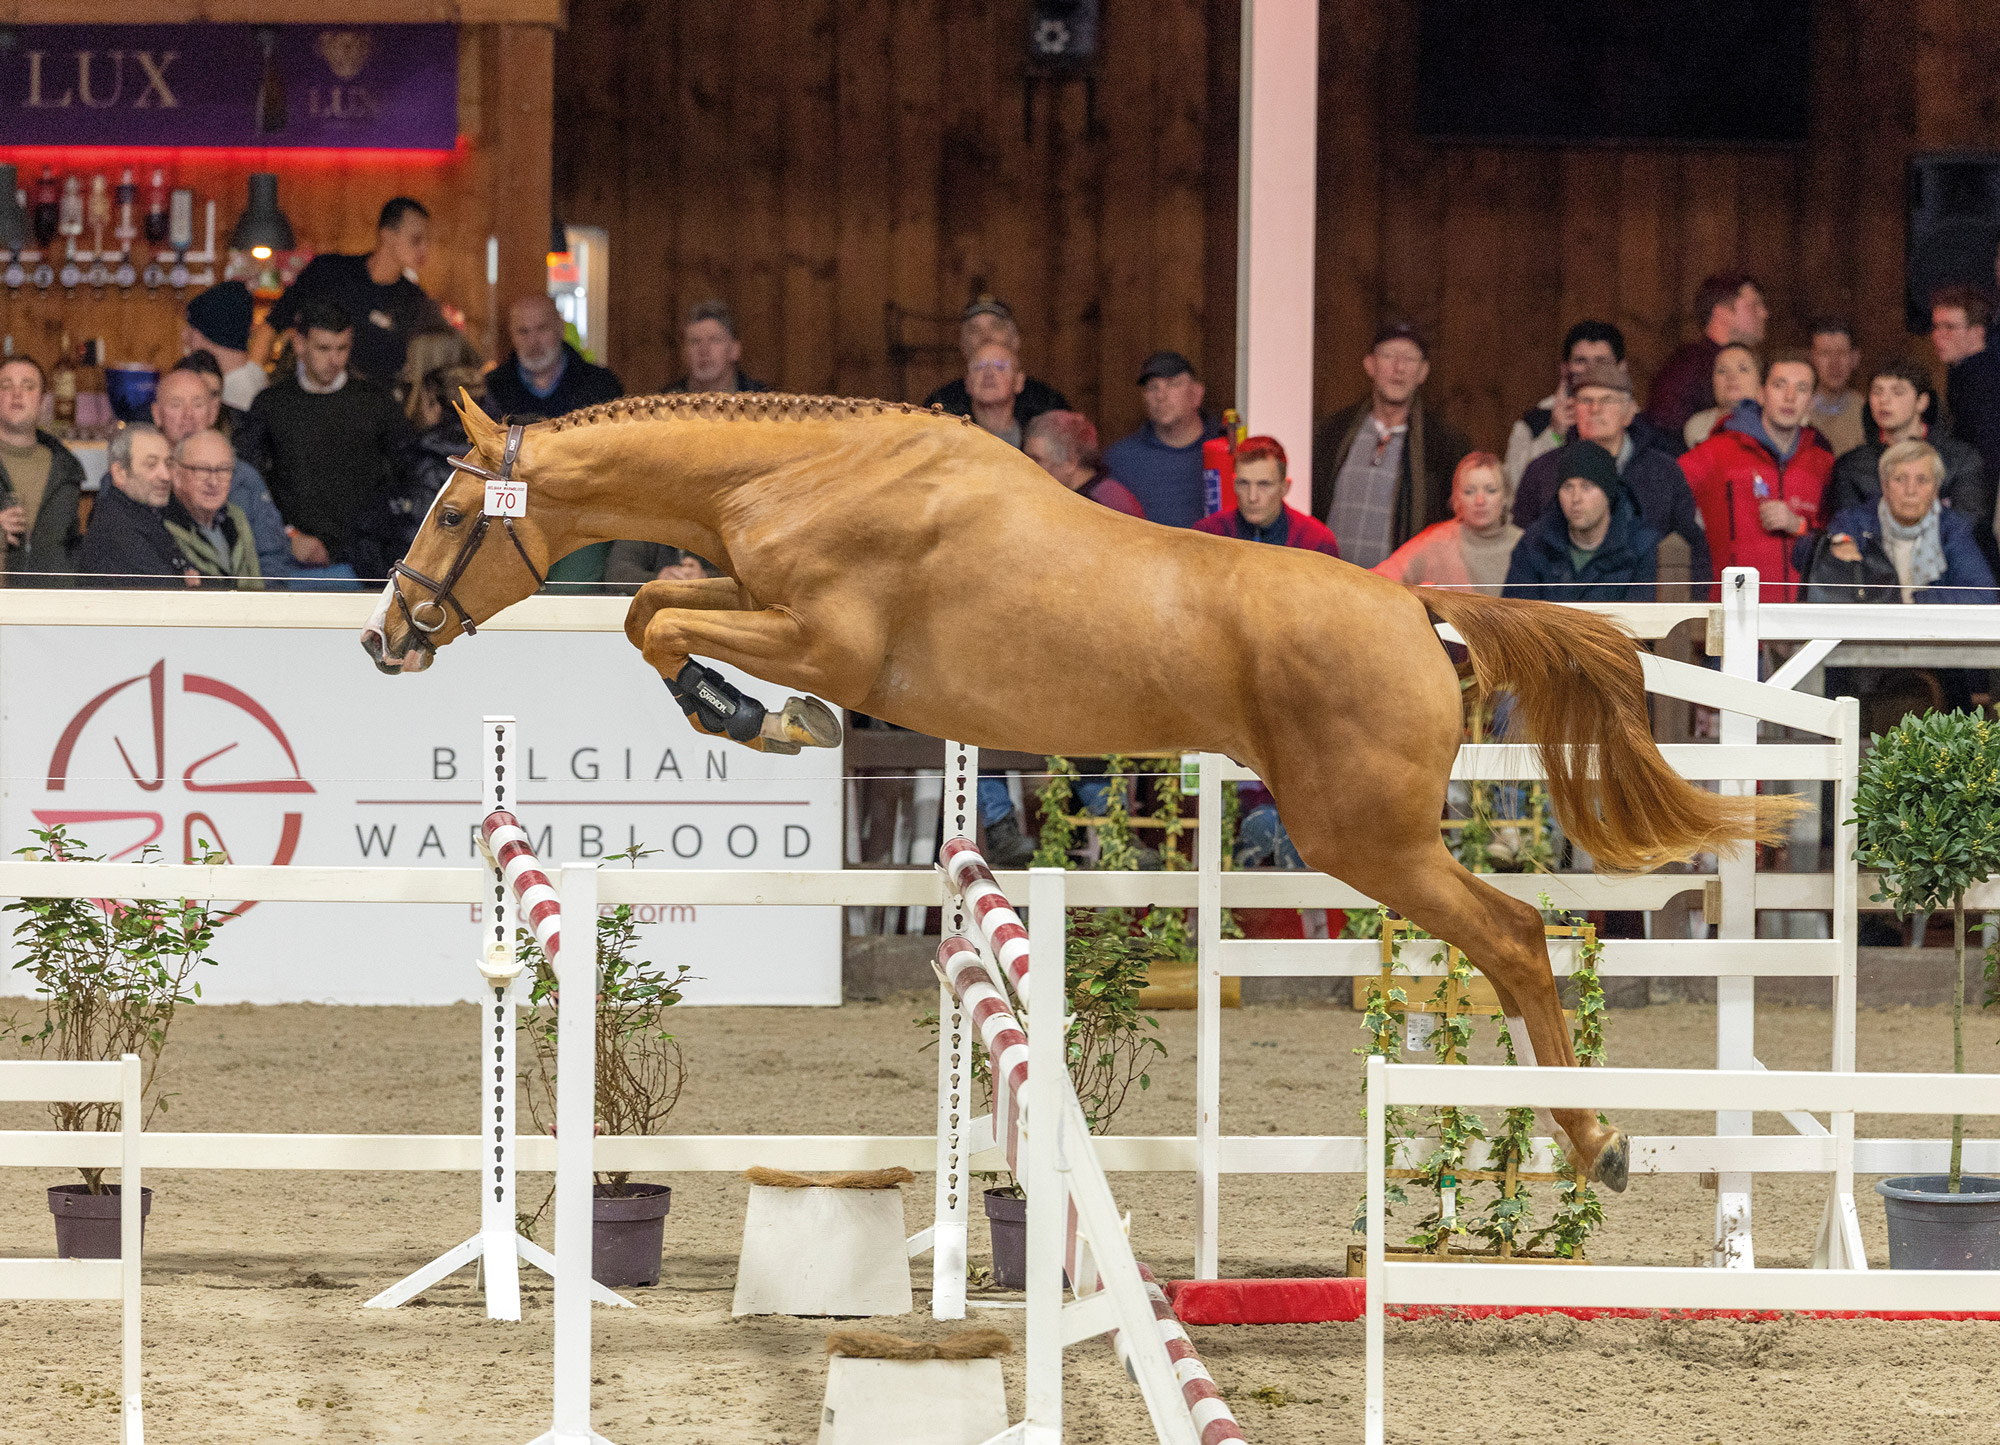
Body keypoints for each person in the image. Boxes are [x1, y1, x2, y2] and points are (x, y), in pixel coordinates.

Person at [239, 300, 410, 573]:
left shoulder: (376, 403)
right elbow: (249, 481)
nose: (335, 360)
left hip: (366, 560)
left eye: (342, 348)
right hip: (292, 558)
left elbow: (405, 475)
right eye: (323, 348)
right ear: (298, 344)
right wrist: (288, 534)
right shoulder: (272, 405)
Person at [1514, 361, 1711, 584]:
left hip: (1647, 606)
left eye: (1607, 400)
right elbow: (1524, 550)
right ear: (1573, 409)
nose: (1595, 409)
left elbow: (1694, 549)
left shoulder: (1663, 472)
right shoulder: (1543, 471)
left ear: (1629, 412)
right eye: (1586, 400)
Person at [1311, 322, 1471, 569]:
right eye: (1389, 356)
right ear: (1370, 365)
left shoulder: (1444, 445)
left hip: (1399, 593)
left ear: (1423, 372)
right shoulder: (1333, 433)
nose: (1399, 368)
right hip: (1329, 584)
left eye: (1409, 359)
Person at [1679, 351, 1833, 598]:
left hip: (1803, 617)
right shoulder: (1718, 451)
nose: (1790, 397)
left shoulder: (1822, 463)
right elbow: (1663, 495)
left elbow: (1838, 539)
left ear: (1812, 402)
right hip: (1733, 613)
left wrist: (1799, 524)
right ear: (1761, 393)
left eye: (1801, 388)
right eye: (1779, 385)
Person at [152, 362, 302, 585]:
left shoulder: (244, 478)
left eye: (198, 404)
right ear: (157, 414)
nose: (188, 415)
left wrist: (262, 607)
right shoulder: (140, 478)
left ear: (213, 412)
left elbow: (274, 558)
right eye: (176, 404)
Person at [266, 197, 442, 383]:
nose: (425, 248)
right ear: (387, 234)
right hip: (307, 397)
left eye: (427, 241)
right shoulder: (329, 270)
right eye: (416, 240)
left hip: (370, 405)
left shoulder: (415, 300)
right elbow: (273, 324)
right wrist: (250, 380)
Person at [1801, 439, 1996, 605]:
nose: (1911, 490)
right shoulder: (1856, 521)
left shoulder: (1952, 528)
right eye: (1900, 479)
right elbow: (1803, 555)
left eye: (1922, 480)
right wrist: (1834, 546)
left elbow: (1983, 594)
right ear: (1884, 485)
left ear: (1936, 489)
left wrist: (1909, 599)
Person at [1826, 360, 1988, 548]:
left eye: (1897, 392)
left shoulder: (1961, 459)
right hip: (1878, 569)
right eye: (1877, 391)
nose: (1883, 400)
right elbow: (1849, 529)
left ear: (1922, 402)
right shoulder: (1852, 464)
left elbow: (1965, 524)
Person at [351, 363, 489, 583]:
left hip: (415, 583)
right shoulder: (499, 460)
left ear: (434, 405)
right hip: (481, 583)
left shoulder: (415, 460)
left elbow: (413, 535)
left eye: (423, 400)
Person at [1502, 321, 1680, 486]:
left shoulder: (1645, 428)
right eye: (1581, 361)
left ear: (1622, 369)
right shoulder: (1533, 424)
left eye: (1602, 362)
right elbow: (1515, 491)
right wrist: (1554, 435)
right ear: (1565, 368)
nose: (1591, 370)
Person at [1504, 441, 1660, 602]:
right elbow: (1516, 617)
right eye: (1568, 487)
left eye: (1587, 486)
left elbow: (1643, 619)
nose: (1576, 498)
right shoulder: (1534, 544)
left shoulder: (1641, 546)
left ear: (1608, 494)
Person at [1101, 351, 1225, 529]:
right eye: (1152, 387)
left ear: (1197, 393)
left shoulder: (1226, 448)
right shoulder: (1121, 459)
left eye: (1173, 384)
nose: (1161, 396)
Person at [1375, 451, 1521, 593]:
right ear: (1456, 498)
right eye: (1469, 491)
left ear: (1506, 496)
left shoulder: (1526, 544)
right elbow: (1379, 580)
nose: (1480, 500)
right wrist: (1417, 596)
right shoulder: (1435, 541)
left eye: (1491, 490)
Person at [1645, 271, 1768, 434]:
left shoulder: (1758, 364)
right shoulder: (1686, 369)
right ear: (1722, 312)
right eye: (1753, 306)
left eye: (1742, 369)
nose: (1764, 313)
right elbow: (1665, 429)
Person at [0, 356, 85, 585]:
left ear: (44, 401)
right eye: (6, 386)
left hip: (51, 610)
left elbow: (73, 551)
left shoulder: (66, 469)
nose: (17, 394)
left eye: (28, 387)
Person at [923, 296, 1067, 427]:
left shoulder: (1047, 404)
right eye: (974, 330)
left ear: (1015, 339)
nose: (986, 336)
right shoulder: (941, 405)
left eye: (996, 327)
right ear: (963, 345)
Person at [77, 423, 192, 587]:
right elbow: (168, 596)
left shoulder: (142, 515)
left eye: (168, 463)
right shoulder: (117, 530)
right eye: (151, 464)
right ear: (120, 473)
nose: (166, 475)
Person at [1192, 436, 1339, 556]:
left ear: (1285, 487)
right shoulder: (1207, 535)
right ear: (1234, 484)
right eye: (1244, 483)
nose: (1252, 497)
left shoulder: (1316, 542)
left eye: (1264, 484)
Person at [483, 295, 622, 420]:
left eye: (542, 328)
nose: (533, 342)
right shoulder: (492, 389)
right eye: (523, 331)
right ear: (512, 336)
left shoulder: (601, 385)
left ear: (561, 329)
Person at [163, 429, 264, 590]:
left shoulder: (236, 518)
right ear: (176, 475)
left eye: (223, 470)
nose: (213, 482)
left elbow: (257, 588)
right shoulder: (162, 525)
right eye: (202, 470)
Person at [1932, 285, 2000, 518]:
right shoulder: (1961, 372)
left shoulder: (1984, 380)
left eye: (1949, 327)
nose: (1938, 335)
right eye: (1936, 326)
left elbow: (1984, 449)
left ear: (1977, 332)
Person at [1023, 410, 1144, 516]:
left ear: (1071, 462)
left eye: (1036, 460)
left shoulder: (1107, 508)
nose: (1027, 469)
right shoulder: (1077, 498)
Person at [182, 280, 267, 413]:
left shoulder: (227, 395)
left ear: (198, 335)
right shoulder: (255, 376)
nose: (184, 336)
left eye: (190, 328)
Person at [667, 299, 769, 394]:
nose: (704, 350)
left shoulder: (764, 403)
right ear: (684, 352)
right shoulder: (663, 405)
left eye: (714, 340)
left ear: (734, 349)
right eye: (695, 342)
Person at [1681, 342, 1762, 449]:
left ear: (1760, 382)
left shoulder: (1772, 426)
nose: (1732, 376)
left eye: (1743, 369)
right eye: (1722, 370)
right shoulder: (1697, 426)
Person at [1807, 317, 1866, 457]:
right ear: (1813, 358)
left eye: (1841, 353)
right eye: (1825, 353)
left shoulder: (1868, 413)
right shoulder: (1797, 411)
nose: (1834, 363)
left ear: (1855, 358)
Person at [964, 342, 1028, 445]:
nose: (989, 373)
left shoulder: (1033, 441)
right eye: (979, 367)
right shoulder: (954, 439)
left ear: (1019, 382)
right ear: (968, 382)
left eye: (1000, 367)